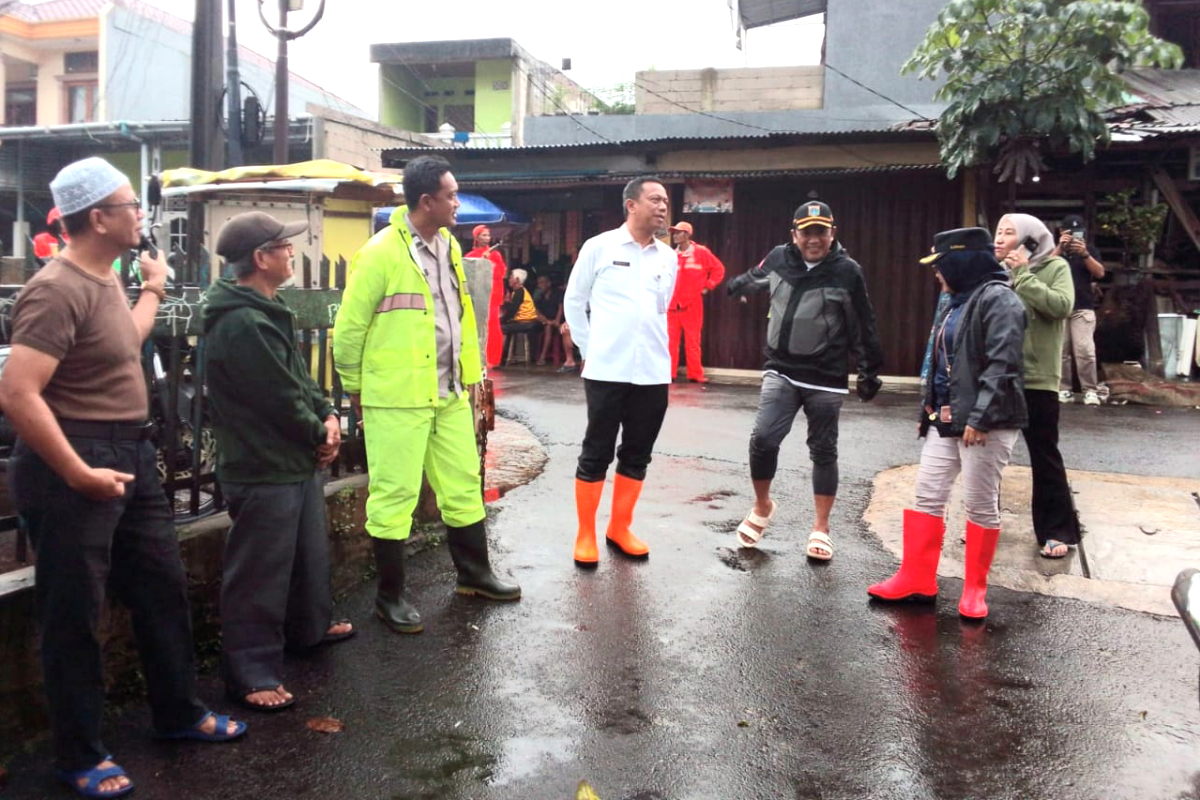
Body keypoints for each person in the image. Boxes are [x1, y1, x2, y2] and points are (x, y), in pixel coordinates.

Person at [0, 157, 245, 799]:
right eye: (130, 204)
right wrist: (78, 473)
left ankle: (178, 713)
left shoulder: (105, 278)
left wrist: (154, 289)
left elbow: (122, 344)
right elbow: (19, 394)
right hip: (73, 457)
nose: (141, 213)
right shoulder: (55, 289)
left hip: (132, 453)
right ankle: (78, 754)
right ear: (99, 218)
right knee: (75, 612)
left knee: (162, 587)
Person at [333, 155, 519, 636]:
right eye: (452, 195)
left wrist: (474, 376)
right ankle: (389, 597)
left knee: (461, 483)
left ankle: (474, 576)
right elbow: (349, 328)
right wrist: (354, 387)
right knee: (395, 493)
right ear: (426, 201)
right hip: (396, 395)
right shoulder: (380, 253)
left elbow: (462, 318)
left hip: (450, 392)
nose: (458, 202)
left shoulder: (449, 249)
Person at [204, 211, 355, 713]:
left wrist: (328, 415)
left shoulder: (269, 307)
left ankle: (307, 629)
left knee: (306, 556)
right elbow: (278, 398)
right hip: (261, 463)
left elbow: (301, 382)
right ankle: (251, 673)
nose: (292, 252)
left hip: (290, 459)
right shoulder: (243, 322)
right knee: (259, 575)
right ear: (260, 258)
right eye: (283, 247)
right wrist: (318, 431)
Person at [867, 228, 1028, 620]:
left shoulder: (1000, 300)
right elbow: (940, 362)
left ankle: (975, 589)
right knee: (927, 494)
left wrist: (981, 416)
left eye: (940, 264)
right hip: (946, 418)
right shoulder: (953, 300)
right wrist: (929, 409)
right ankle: (917, 578)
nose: (936, 273)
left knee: (979, 502)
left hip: (985, 423)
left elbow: (1003, 364)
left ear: (960, 262)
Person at [726, 201, 883, 561]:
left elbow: (863, 320)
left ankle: (821, 527)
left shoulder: (847, 271)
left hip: (825, 376)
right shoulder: (780, 257)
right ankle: (763, 506)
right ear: (794, 234)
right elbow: (758, 274)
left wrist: (869, 369)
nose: (814, 239)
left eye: (821, 231)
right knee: (763, 439)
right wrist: (738, 285)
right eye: (806, 232)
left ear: (833, 233)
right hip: (781, 368)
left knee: (823, 450)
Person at [564, 176, 676, 567]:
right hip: (606, 370)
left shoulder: (668, 256)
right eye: (655, 199)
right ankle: (585, 533)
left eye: (665, 201)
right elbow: (574, 302)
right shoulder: (599, 247)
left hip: (653, 370)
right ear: (631, 205)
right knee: (596, 451)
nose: (662, 207)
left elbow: (663, 307)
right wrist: (590, 349)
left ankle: (620, 527)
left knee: (638, 452)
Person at [994, 213, 1082, 560]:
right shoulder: (994, 274)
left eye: (1009, 233)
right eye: (998, 232)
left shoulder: (1055, 268)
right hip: (999, 376)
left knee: (1044, 456)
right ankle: (986, 524)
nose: (999, 238)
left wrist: (1024, 273)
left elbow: (1061, 307)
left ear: (1031, 240)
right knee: (989, 458)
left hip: (1038, 378)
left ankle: (1055, 530)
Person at [1054, 214, 1105, 406]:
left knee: (1085, 350)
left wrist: (1084, 254)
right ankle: (1063, 389)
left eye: (1078, 232)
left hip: (1082, 306)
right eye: (1070, 233)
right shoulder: (1056, 252)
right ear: (1062, 232)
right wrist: (1060, 246)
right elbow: (1043, 268)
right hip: (1059, 306)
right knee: (1061, 351)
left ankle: (1090, 389)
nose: (1075, 237)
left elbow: (1100, 273)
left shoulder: (1088, 250)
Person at [666, 221, 725, 382]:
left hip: (692, 305)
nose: (675, 235)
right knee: (670, 342)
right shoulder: (671, 254)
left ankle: (695, 375)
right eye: (674, 233)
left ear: (686, 234)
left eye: (678, 232)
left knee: (693, 341)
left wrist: (708, 286)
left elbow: (719, 270)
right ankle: (669, 374)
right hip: (672, 305)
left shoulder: (701, 253)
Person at [465, 224, 507, 369]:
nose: (487, 238)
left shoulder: (495, 255)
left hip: (492, 295)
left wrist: (486, 262)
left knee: (492, 326)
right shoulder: (469, 257)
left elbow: (500, 274)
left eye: (488, 235)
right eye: (483, 235)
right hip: (476, 296)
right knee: (475, 326)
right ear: (476, 237)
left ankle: (493, 359)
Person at [533, 273, 565, 365]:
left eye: (542, 283)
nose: (540, 285)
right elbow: (536, 311)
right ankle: (534, 355)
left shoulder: (558, 293)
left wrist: (556, 321)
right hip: (546, 322)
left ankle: (543, 357)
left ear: (548, 283)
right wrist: (546, 321)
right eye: (538, 283)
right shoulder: (540, 297)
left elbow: (561, 308)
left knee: (548, 327)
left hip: (558, 321)